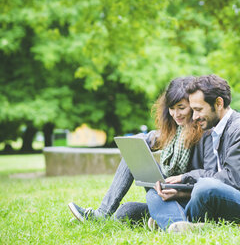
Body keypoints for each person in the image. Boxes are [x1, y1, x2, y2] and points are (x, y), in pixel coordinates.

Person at [146, 74, 240, 232]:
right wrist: (179, 191)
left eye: (198, 109)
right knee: (155, 193)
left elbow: (232, 180)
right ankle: (178, 225)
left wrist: (186, 179)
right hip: (218, 195)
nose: (194, 117)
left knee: (204, 187)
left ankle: (169, 219)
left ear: (218, 103)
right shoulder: (214, 130)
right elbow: (211, 175)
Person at [68, 76, 204, 223]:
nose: (176, 114)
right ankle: (101, 214)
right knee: (125, 209)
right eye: (171, 108)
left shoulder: (204, 132)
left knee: (130, 210)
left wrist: (180, 189)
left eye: (181, 108)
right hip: (163, 191)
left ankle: (164, 219)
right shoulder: (175, 132)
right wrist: (140, 141)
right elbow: (149, 138)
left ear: (193, 105)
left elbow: (208, 179)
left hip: (186, 197)